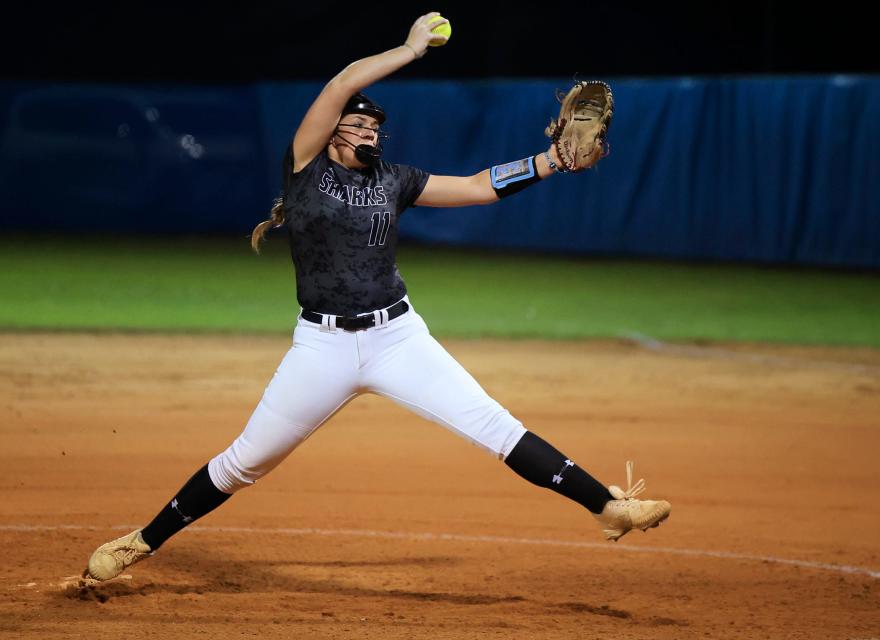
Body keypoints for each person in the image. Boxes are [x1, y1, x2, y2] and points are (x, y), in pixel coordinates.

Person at [84, 12, 670, 582]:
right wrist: (411, 50)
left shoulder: (393, 179)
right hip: (322, 347)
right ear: (332, 130)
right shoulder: (306, 168)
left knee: (494, 425)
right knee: (245, 463)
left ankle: (605, 506)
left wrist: (551, 162)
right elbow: (342, 84)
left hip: (397, 337)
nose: (368, 132)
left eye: (373, 128)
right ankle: (141, 541)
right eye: (358, 125)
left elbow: (474, 187)